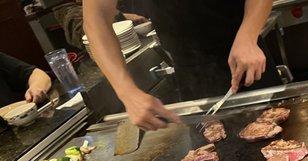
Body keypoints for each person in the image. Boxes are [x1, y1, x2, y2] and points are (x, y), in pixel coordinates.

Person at [83, 0, 274, 131]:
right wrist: (127, 93)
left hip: (248, 55)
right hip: (189, 71)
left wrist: (248, 34)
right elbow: (96, 18)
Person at [53, 0, 148, 50]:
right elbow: (83, 33)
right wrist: (121, 16)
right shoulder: (67, 9)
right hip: (114, 59)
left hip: (144, 42)